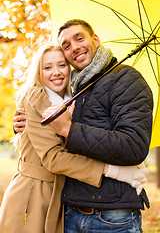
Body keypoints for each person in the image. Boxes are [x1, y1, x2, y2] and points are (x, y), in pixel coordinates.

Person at [0, 44, 147, 233]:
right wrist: (116, 171)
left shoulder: (72, 98)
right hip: (32, 195)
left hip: (60, 196)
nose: (56, 73)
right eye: (47, 67)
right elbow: (54, 158)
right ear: (38, 71)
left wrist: (127, 159)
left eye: (62, 65)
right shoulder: (35, 96)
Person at [42, 19, 153, 233]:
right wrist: (24, 123)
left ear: (95, 40)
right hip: (70, 214)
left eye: (79, 38)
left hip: (113, 219)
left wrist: (69, 129)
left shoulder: (126, 79)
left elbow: (133, 146)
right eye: (66, 45)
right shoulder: (73, 90)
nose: (74, 47)